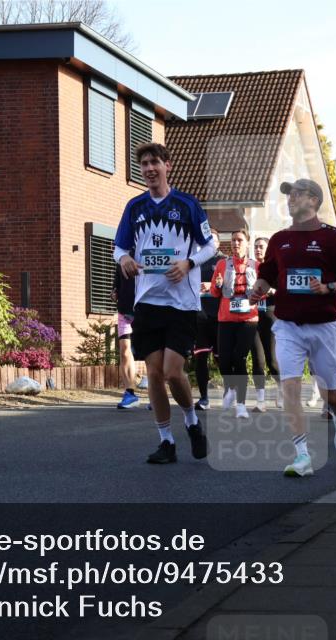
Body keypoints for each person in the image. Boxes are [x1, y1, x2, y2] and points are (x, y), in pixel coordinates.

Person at [250, 178, 336, 477]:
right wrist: (257, 289)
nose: (290, 199)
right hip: (288, 326)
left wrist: (328, 287)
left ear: (313, 200)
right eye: (289, 195)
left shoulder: (332, 238)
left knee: (330, 393)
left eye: (297, 194)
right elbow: (268, 275)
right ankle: (302, 455)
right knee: (290, 387)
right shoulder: (278, 239)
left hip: (324, 326)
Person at [113, 143, 214, 464]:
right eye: (143, 164)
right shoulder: (135, 207)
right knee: (154, 375)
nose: (149, 168)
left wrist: (189, 264)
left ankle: (192, 422)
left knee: (173, 371)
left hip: (181, 303)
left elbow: (211, 245)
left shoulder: (187, 204)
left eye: (155, 162)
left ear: (167, 165)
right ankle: (166, 441)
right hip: (147, 302)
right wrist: (125, 258)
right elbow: (118, 247)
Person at [211, 228, 259, 420]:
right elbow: (215, 293)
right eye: (233, 240)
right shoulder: (222, 264)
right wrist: (218, 284)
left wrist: (259, 291)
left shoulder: (256, 266)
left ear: (247, 242)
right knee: (223, 361)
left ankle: (241, 404)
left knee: (239, 359)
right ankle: (230, 387)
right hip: (226, 318)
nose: (235, 243)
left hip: (248, 319)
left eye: (239, 240)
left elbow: (262, 292)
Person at [193, 227, 224, 409]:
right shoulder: (195, 261)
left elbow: (230, 286)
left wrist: (212, 285)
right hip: (199, 315)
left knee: (222, 359)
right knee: (200, 357)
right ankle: (204, 397)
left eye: (213, 239)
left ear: (218, 243)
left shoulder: (223, 261)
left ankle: (231, 393)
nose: (209, 242)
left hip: (219, 316)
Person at [252, 236, 281, 410]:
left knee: (272, 361)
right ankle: (260, 401)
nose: (258, 250)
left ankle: (281, 390)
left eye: (261, 246)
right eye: (255, 247)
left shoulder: (276, 268)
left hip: (271, 315)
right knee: (258, 360)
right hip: (253, 316)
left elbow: (285, 291)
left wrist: (272, 290)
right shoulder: (250, 267)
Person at [113, 257, 140, 408]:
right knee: (124, 350)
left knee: (152, 352)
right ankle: (129, 393)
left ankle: (156, 394)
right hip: (125, 311)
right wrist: (115, 292)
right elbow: (117, 281)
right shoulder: (121, 257)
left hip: (144, 308)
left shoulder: (145, 251)